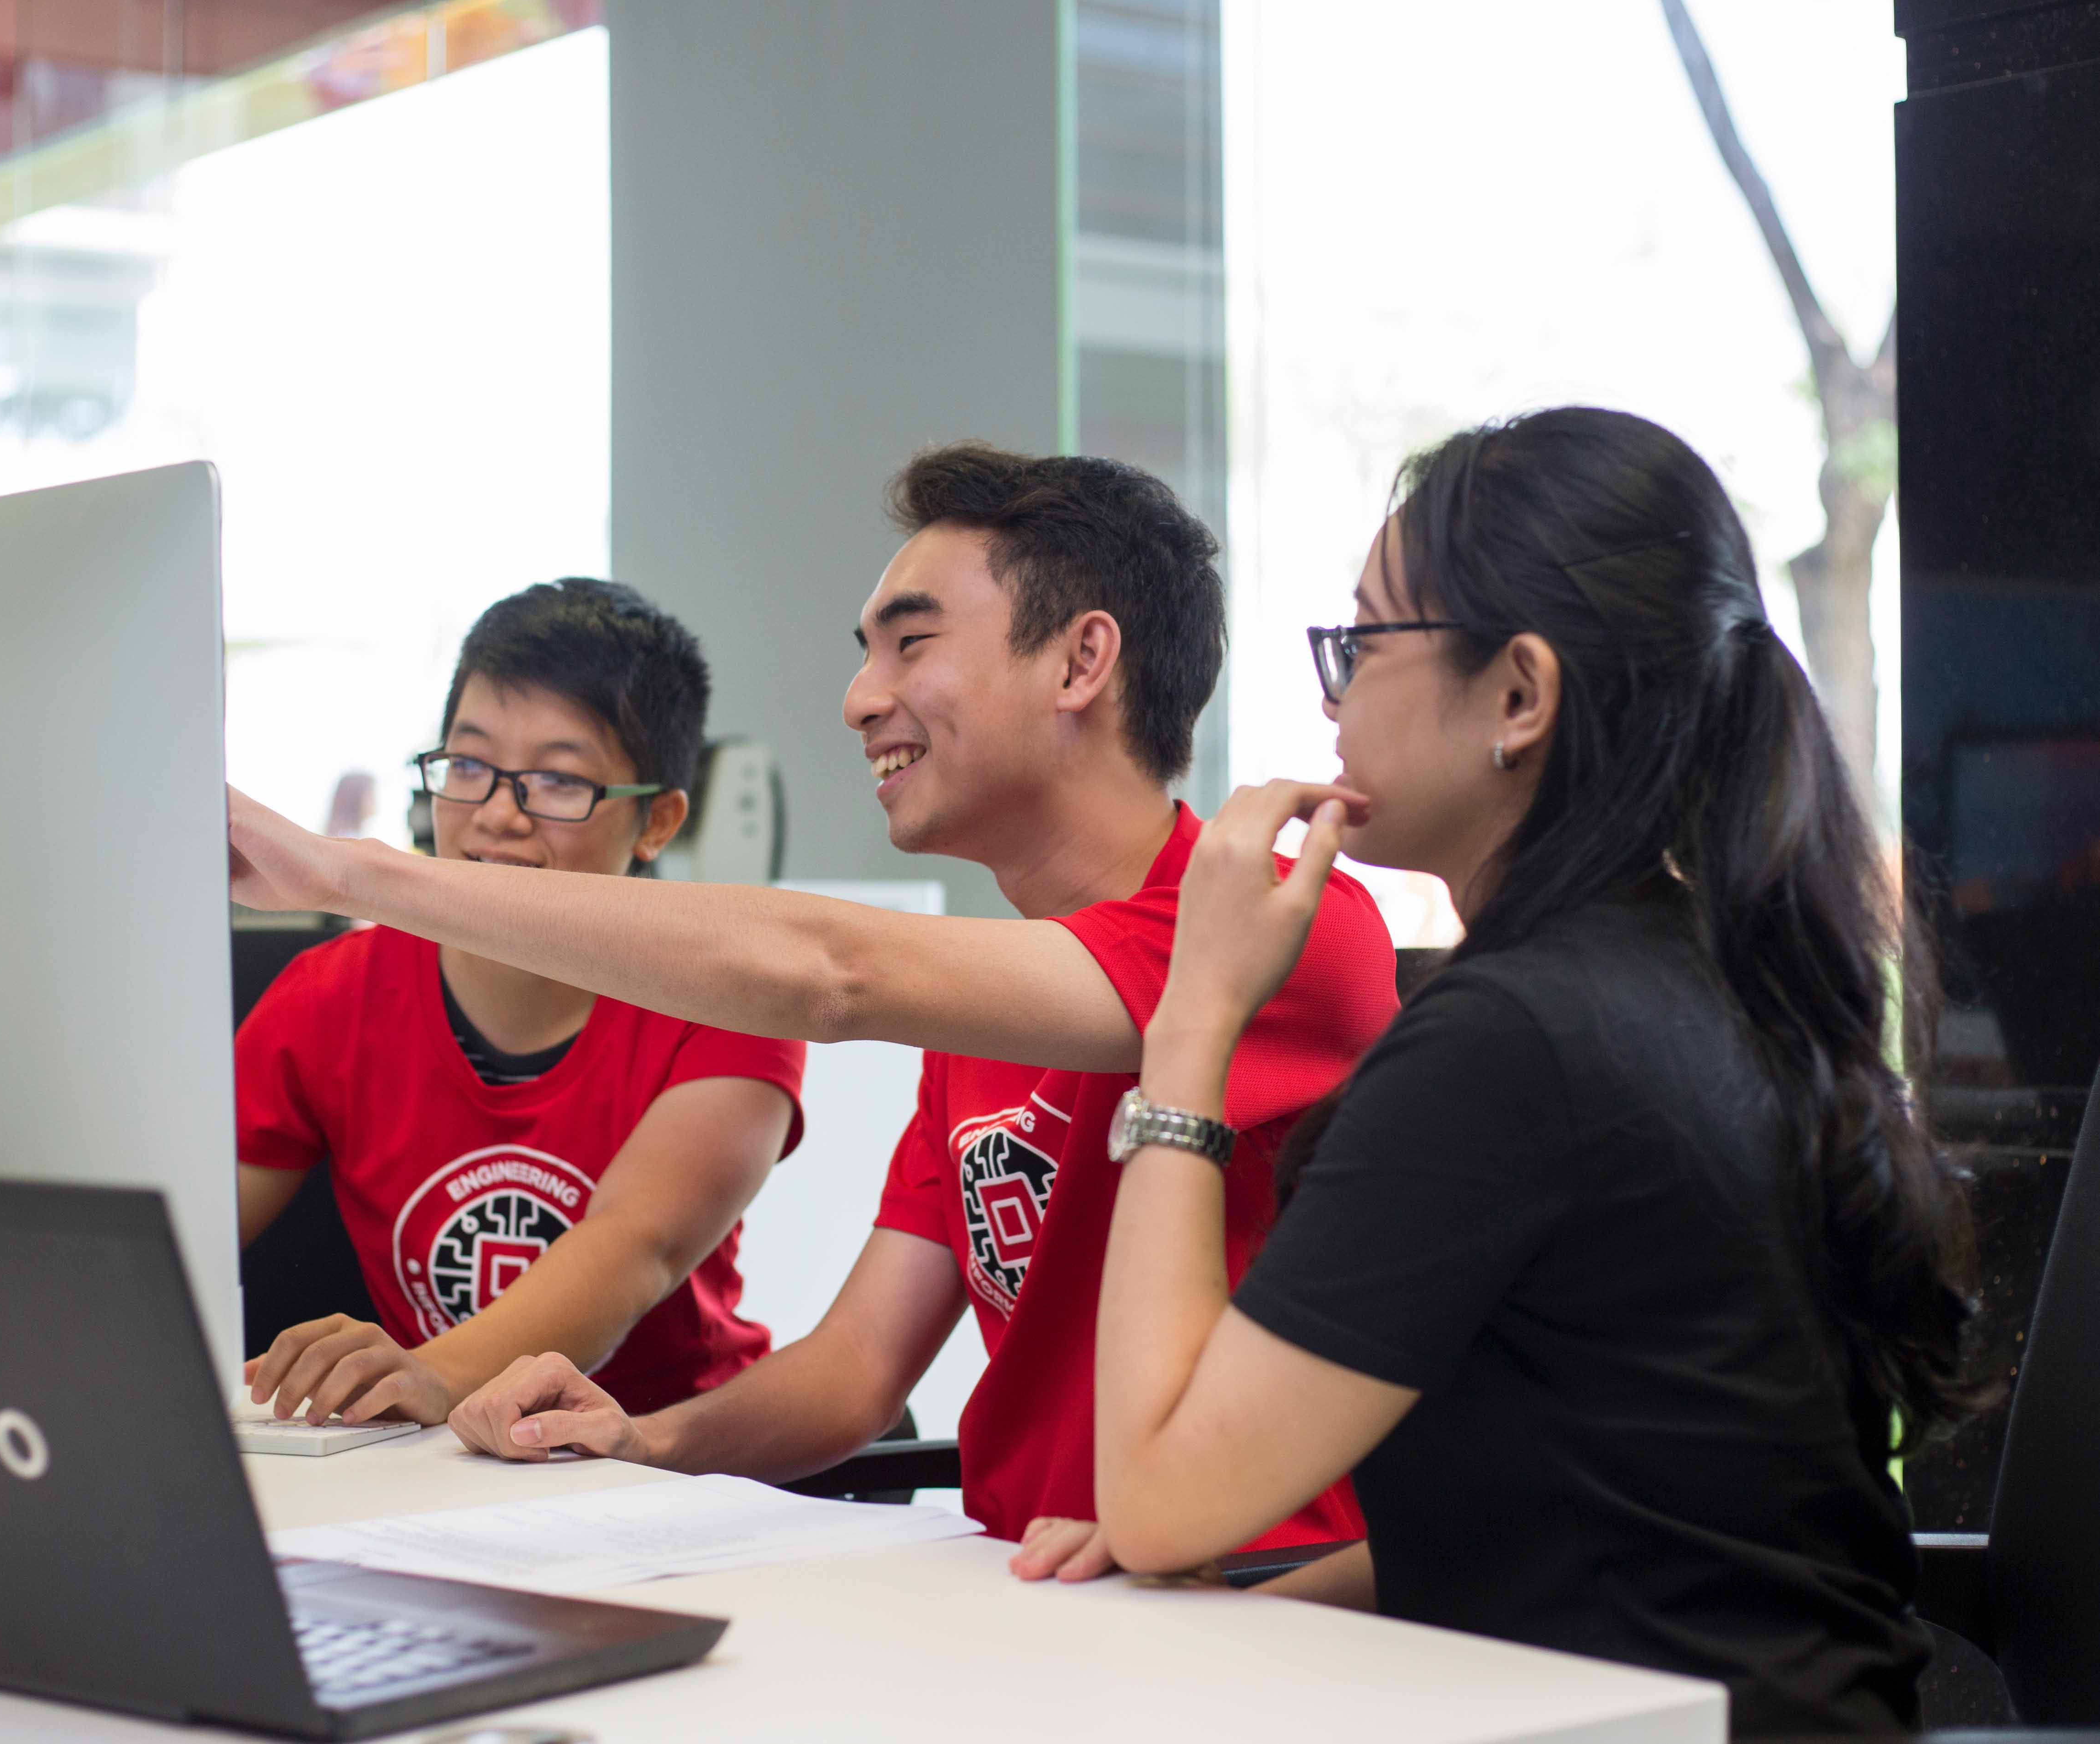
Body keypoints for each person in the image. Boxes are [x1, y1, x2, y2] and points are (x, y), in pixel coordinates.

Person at [225, 445, 1399, 1578]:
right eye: (864, 654)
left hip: (1246, 1594)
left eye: (911, 644)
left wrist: (348, 875)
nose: (857, 700)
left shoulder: (1276, 925)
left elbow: (828, 972)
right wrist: (643, 1440)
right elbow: (855, 1371)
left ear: (1081, 661)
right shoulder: (988, 1009)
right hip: (1020, 1592)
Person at [1091, 408, 1979, 1736]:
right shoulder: (1696, 975)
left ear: (1517, 693)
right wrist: (1235, 1585)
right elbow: (1565, 1515)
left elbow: (1155, 1498)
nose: (1331, 699)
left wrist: (1193, 1019)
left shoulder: (1515, 1038)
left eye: (1362, 645)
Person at [239, 579, 807, 1427]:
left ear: (657, 822)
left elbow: (633, 1248)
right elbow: (174, 1235)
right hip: (430, 1467)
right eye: (467, 766)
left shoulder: (729, 1005)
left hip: (674, 1467)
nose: (496, 816)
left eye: (555, 780)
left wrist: (432, 1377)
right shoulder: (330, 995)